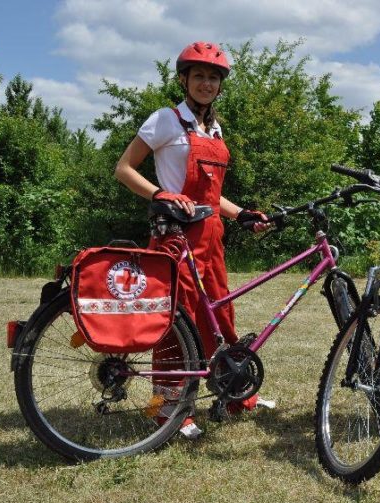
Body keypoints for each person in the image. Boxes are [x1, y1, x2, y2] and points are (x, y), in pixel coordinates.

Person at [115, 41, 272, 439]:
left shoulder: (213, 128)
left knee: (220, 317)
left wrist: (241, 214)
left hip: (211, 237)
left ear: (220, 85)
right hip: (176, 238)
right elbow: (124, 168)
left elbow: (210, 193)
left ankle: (235, 392)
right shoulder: (166, 120)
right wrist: (159, 194)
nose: (206, 83)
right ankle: (167, 409)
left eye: (213, 77)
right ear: (184, 79)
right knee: (176, 322)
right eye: (199, 75)